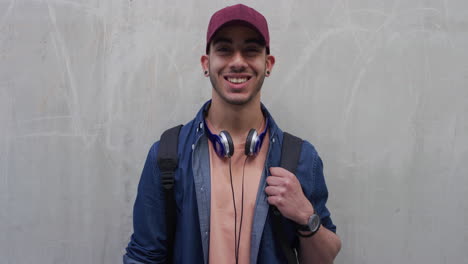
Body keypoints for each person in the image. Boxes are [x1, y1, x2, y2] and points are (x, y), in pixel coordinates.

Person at [124, 4, 341, 264]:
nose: (238, 62)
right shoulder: (167, 155)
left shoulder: (301, 157)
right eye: (224, 49)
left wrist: (307, 218)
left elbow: (324, 259)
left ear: (268, 64)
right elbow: (143, 257)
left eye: (251, 50)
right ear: (206, 64)